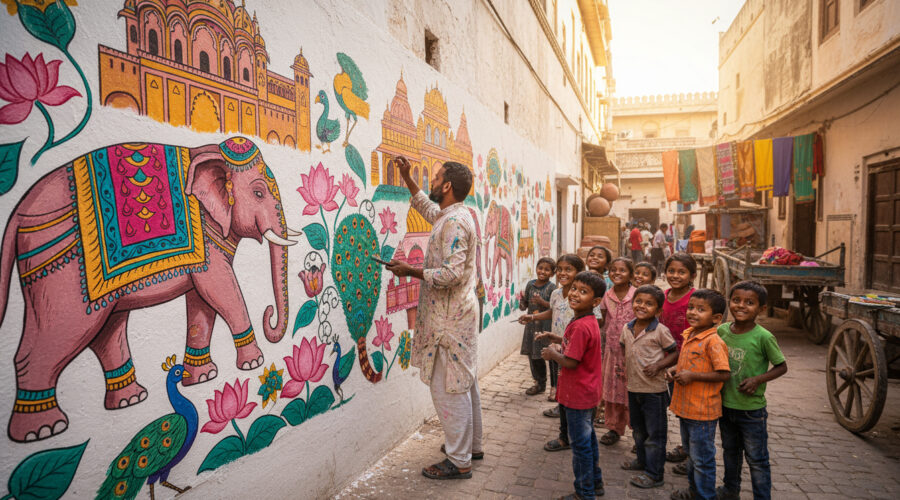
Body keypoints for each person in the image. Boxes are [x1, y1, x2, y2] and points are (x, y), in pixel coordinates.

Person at [385, 157, 481, 480]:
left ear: (447, 185)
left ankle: (459, 460)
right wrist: (406, 177)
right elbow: (427, 208)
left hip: (449, 319)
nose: (432, 181)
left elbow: (452, 274)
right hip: (456, 314)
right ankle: (471, 447)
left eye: (436, 177)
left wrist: (410, 271)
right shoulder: (451, 215)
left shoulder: (454, 223)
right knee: (464, 383)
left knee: (449, 387)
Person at [717, 281, 787, 500]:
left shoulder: (763, 337)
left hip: (751, 410)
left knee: (757, 459)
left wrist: (758, 379)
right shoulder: (721, 331)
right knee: (730, 452)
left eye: (749, 303)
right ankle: (730, 490)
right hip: (725, 406)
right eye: (736, 300)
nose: (741, 306)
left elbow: (781, 366)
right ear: (729, 302)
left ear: (761, 309)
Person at [540, 271, 607, 500]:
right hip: (587, 391)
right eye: (575, 289)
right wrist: (557, 338)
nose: (575, 294)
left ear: (595, 302)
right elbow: (576, 345)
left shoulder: (581, 326)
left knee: (580, 446)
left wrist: (552, 354)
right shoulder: (585, 320)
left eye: (583, 292)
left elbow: (571, 361)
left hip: (578, 394)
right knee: (588, 439)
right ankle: (595, 484)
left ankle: (584, 493)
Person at [666, 289, 731, 500]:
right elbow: (689, 363)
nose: (693, 312)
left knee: (702, 458)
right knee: (692, 455)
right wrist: (675, 369)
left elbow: (723, 374)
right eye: (691, 307)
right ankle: (694, 490)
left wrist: (692, 376)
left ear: (716, 318)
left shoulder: (713, 341)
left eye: (701, 310)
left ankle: (705, 495)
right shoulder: (690, 334)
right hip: (686, 408)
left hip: (702, 411)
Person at [620, 285, 678, 489]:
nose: (642, 306)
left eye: (649, 303)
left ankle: (655, 474)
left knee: (655, 434)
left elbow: (674, 353)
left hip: (654, 392)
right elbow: (624, 348)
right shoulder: (627, 328)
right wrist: (624, 367)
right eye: (638, 301)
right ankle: (642, 461)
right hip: (633, 388)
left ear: (658, 310)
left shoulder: (660, 331)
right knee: (638, 430)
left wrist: (659, 365)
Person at [522, 254, 584, 445]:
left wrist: (573, 336)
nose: (563, 273)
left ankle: (576, 430)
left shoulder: (583, 294)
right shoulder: (556, 293)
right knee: (561, 379)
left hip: (574, 347)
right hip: (558, 343)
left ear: (579, 272)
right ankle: (563, 419)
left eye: (569, 269)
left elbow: (596, 319)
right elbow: (553, 311)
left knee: (574, 384)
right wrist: (533, 317)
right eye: (560, 269)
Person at [659, 253, 697, 469]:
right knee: (678, 408)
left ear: (692, 275)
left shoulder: (695, 300)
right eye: (671, 271)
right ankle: (686, 447)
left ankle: (693, 454)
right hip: (666, 361)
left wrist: (680, 364)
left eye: (681, 272)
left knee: (688, 410)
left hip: (688, 363)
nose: (675, 275)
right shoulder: (663, 296)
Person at [596, 257, 635, 446]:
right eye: (613, 270)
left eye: (622, 270)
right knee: (612, 391)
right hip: (612, 352)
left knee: (632, 392)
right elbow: (602, 320)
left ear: (631, 275)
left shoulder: (638, 295)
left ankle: (639, 433)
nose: (617, 273)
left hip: (633, 354)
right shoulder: (606, 295)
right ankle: (614, 428)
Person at [519, 257, 557, 397]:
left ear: (552, 273)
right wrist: (522, 303)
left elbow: (554, 307)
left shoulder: (552, 288)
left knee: (548, 354)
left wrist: (542, 302)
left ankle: (554, 385)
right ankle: (539, 383)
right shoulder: (530, 285)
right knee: (533, 355)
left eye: (547, 270)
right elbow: (525, 304)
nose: (542, 271)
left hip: (545, 327)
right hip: (531, 327)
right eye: (540, 268)